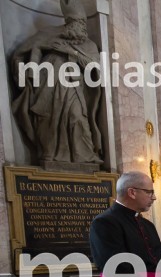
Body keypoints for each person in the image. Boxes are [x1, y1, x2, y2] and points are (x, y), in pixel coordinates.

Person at [11, 0, 102, 165]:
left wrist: (69, 51)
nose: (82, 29)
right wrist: (29, 75)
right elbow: (23, 52)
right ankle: (49, 154)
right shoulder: (50, 35)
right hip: (48, 86)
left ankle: (85, 157)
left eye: (83, 25)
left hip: (73, 87)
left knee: (77, 117)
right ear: (69, 23)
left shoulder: (89, 45)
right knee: (48, 120)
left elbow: (93, 66)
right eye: (78, 24)